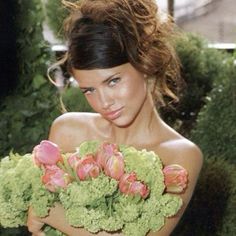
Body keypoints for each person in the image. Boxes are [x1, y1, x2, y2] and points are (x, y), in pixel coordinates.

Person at [27, 0, 203, 235]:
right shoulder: (67, 131)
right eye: (89, 90)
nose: (103, 103)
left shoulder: (180, 155)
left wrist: (51, 213)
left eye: (112, 81)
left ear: (145, 64)